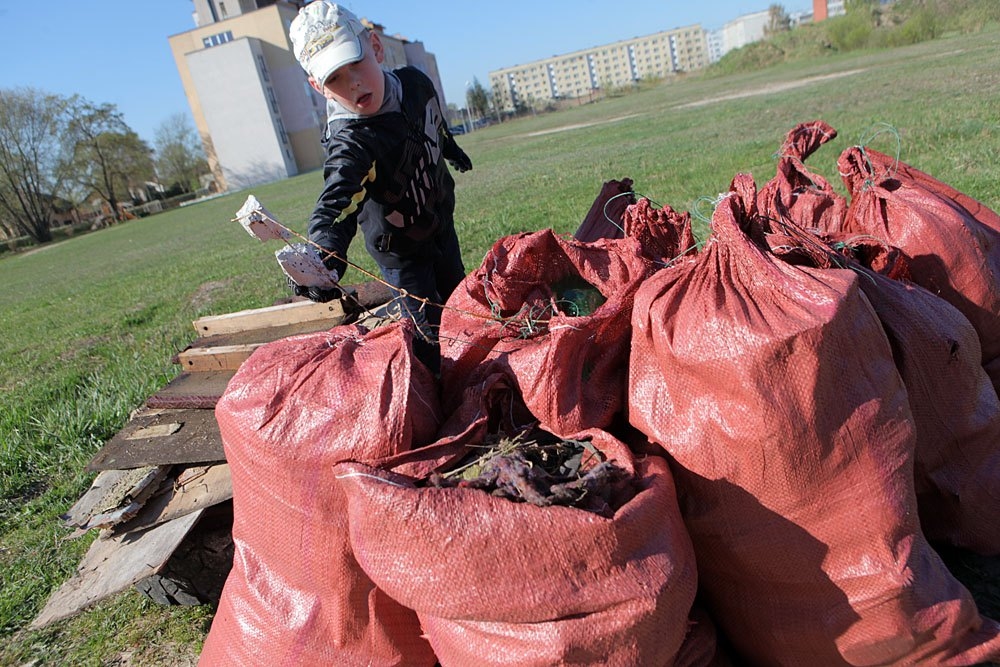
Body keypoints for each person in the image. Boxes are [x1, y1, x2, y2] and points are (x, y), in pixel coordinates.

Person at [286, 1, 472, 373]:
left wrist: (451, 149)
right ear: (317, 87)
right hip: (401, 252)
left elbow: (433, 124)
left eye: (355, 63)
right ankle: (435, 391)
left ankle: (471, 366)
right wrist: (322, 257)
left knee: (460, 302)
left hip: (440, 224)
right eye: (334, 77)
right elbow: (337, 206)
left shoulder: (416, 84)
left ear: (374, 46)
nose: (352, 82)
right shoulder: (352, 144)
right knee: (428, 333)